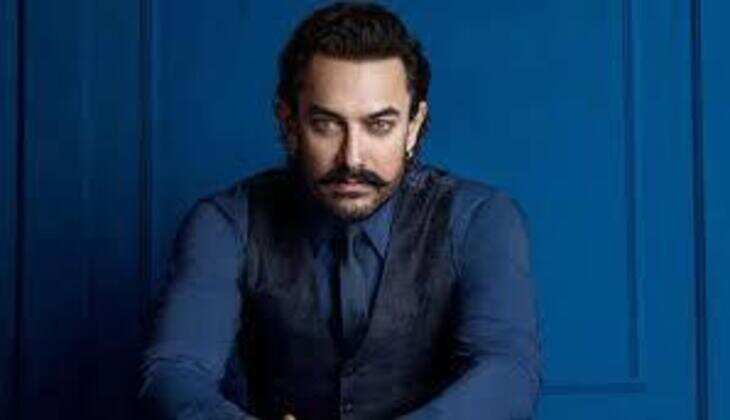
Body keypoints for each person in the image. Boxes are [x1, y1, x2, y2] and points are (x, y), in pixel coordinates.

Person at [138, 2, 542, 419]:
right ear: (289, 122)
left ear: (413, 125)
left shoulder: (480, 219)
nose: (352, 158)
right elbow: (174, 373)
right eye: (326, 124)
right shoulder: (225, 223)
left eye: (379, 125)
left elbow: (507, 372)